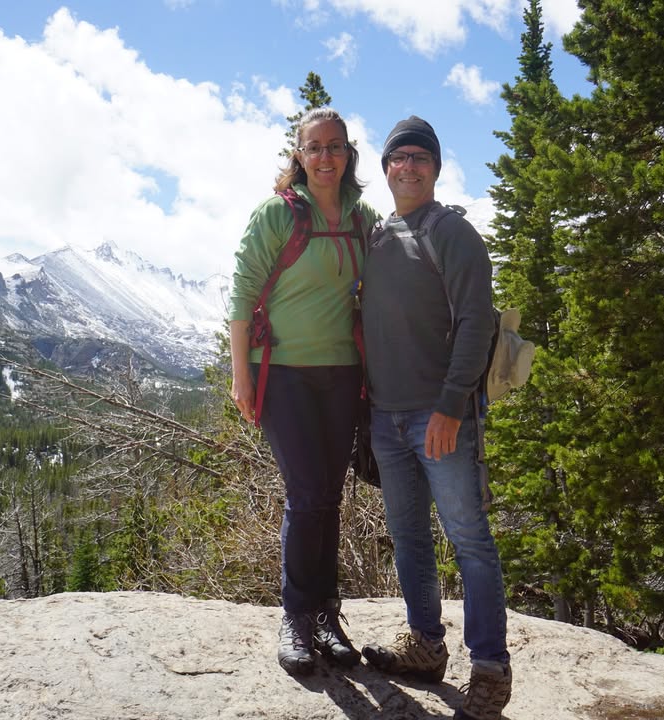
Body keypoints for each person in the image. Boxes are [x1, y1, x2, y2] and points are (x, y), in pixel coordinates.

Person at [359, 116, 512, 719]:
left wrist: (450, 405)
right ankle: (425, 644)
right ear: (386, 169)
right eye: (398, 158)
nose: (408, 167)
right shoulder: (377, 236)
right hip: (386, 417)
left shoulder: (452, 232)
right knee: (409, 537)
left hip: (440, 415)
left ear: (436, 168)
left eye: (419, 158)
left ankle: (491, 669)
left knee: (469, 539)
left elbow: (477, 323)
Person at [227, 107, 379, 676]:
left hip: (342, 373)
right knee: (307, 491)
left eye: (334, 146)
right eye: (314, 147)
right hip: (282, 372)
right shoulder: (277, 214)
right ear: (299, 156)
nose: (325, 157)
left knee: (330, 495)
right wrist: (241, 375)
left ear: (348, 152)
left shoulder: (362, 218)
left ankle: (325, 616)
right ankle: (296, 616)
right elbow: (242, 295)